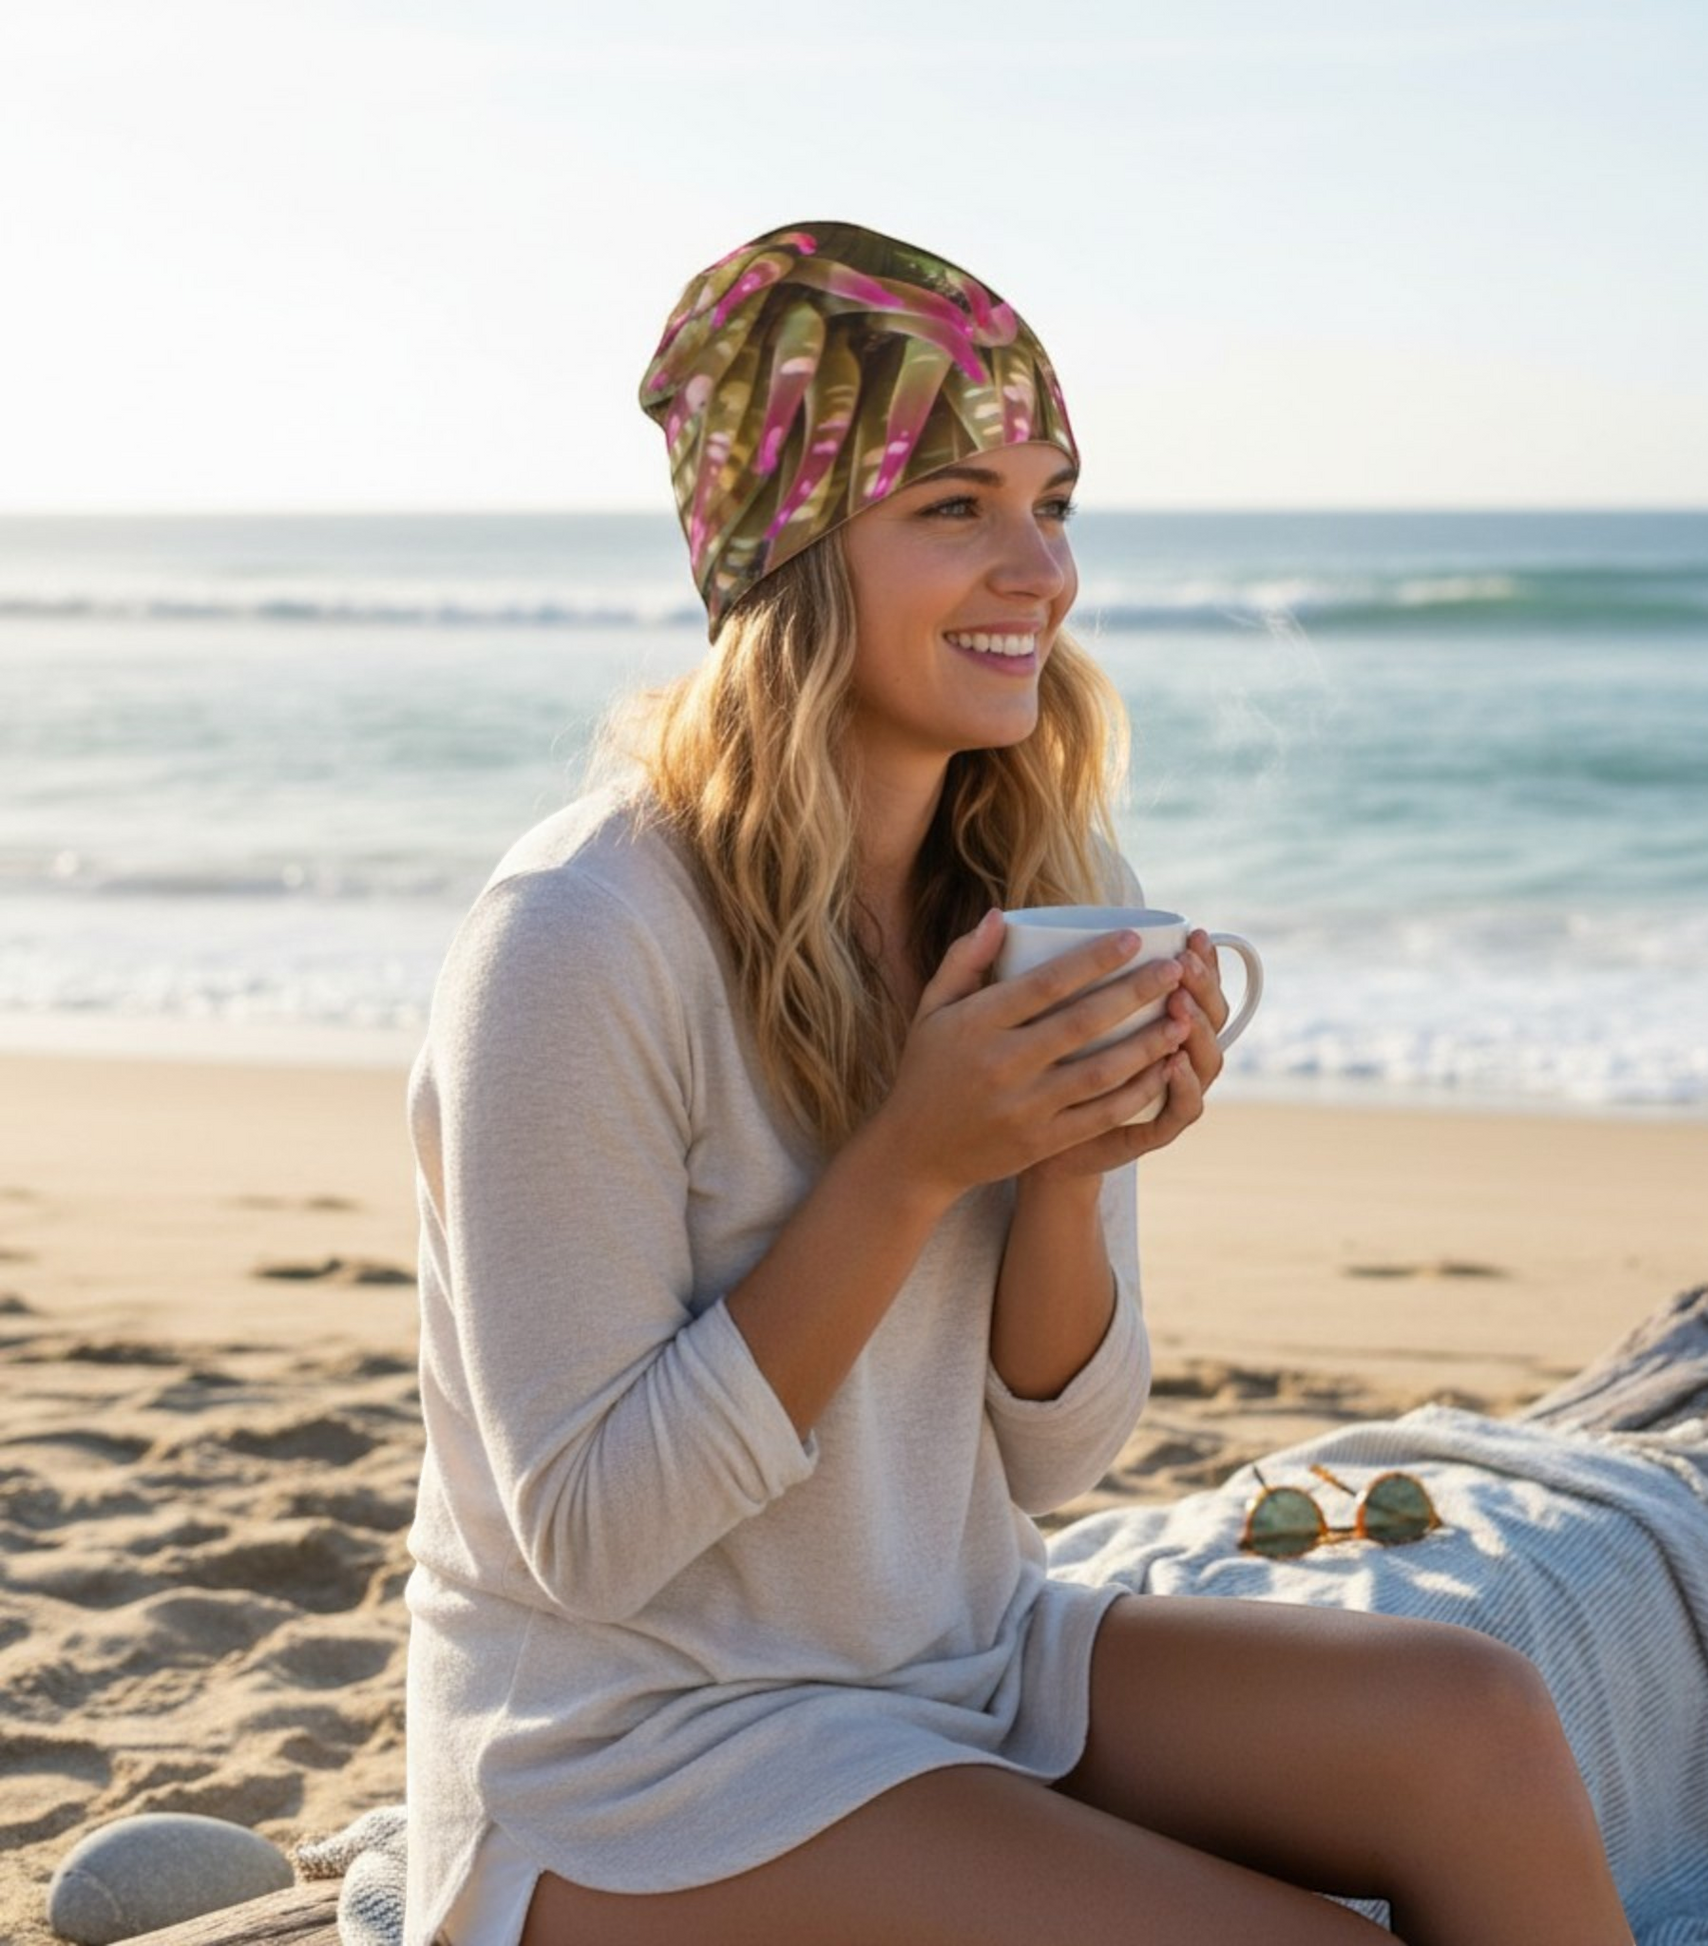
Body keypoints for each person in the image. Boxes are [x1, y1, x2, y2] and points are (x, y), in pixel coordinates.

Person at [401, 221, 1635, 1946]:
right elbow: (591, 1536)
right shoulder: (579, 933)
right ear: (787, 550)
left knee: (1473, 1720)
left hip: (960, 1655)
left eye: (1052, 502)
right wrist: (912, 1160)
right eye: (953, 505)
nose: (1038, 570)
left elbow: (1055, 1461)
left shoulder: (1039, 887)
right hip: (634, 1756)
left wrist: (1064, 1167)